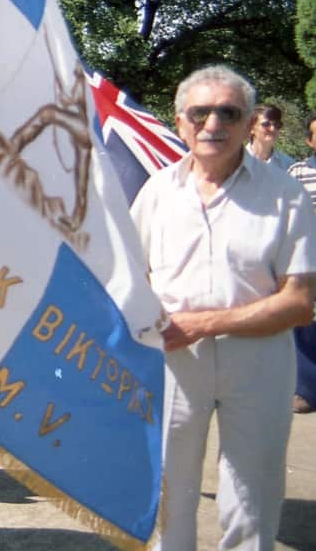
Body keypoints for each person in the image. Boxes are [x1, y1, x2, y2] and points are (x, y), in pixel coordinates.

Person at [131, 65, 316, 550]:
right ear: (180, 121)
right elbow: (132, 276)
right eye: (200, 112)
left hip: (258, 364)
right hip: (172, 364)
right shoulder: (156, 193)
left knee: (250, 501)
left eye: (228, 112)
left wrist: (203, 323)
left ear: (249, 120)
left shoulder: (287, 196)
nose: (213, 123)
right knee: (168, 494)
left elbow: (299, 303)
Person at [286, 113, 316, 415]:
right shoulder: (297, 171)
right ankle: (307, 390)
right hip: (309, 255)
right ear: (309, 140)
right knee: (304, 320)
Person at [246, 103, 294, 171]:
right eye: (266, 124)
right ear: (251, 128)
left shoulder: (289, 165)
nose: (273, 129)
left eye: (277, 125)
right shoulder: (234, 162)